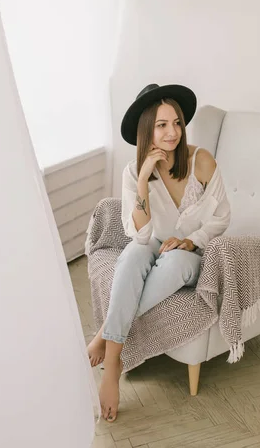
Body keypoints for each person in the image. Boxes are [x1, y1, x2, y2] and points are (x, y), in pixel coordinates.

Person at [87, 83, 231, 422]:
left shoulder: (201, 161)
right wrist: (142, 181)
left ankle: (103, 338)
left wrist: (191, 240)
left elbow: (222, 217)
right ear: (146, 131)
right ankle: (114, 366)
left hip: (190, 254)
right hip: (153, 244)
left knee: (177, 261)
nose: (172, 133)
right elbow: (139, 236)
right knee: (135, 256)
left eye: (177, 123)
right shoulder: (132, 172)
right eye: (162, 125)